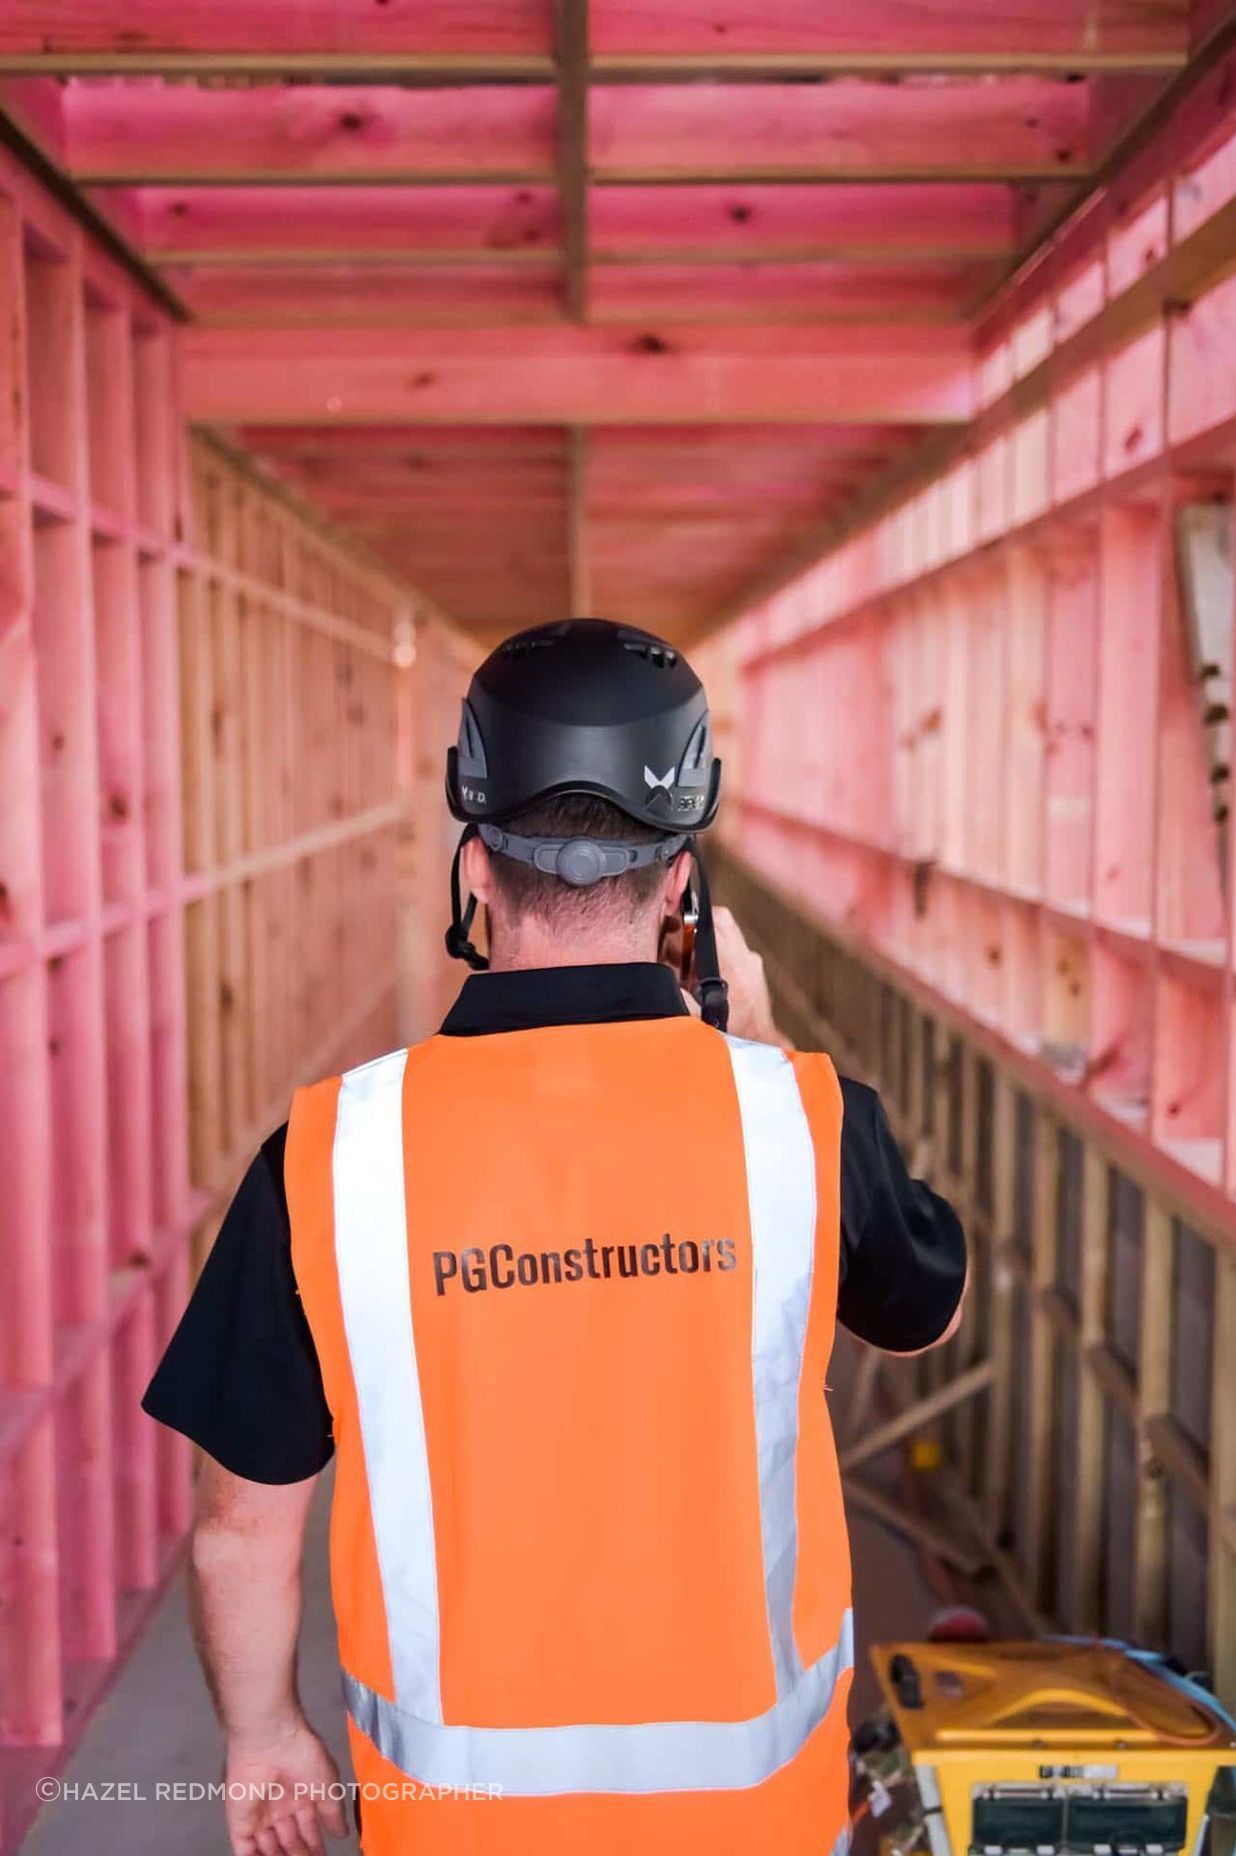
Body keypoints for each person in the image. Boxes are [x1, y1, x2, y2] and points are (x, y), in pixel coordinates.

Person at [144, 618, 967, 1856]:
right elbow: (924, 1313)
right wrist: (772, 1047)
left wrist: (264, 1730)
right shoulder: (797, 1116)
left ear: (474, 870)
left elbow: (241, 1522)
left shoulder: (331, 1154)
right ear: (680, 882)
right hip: (758, 1821)